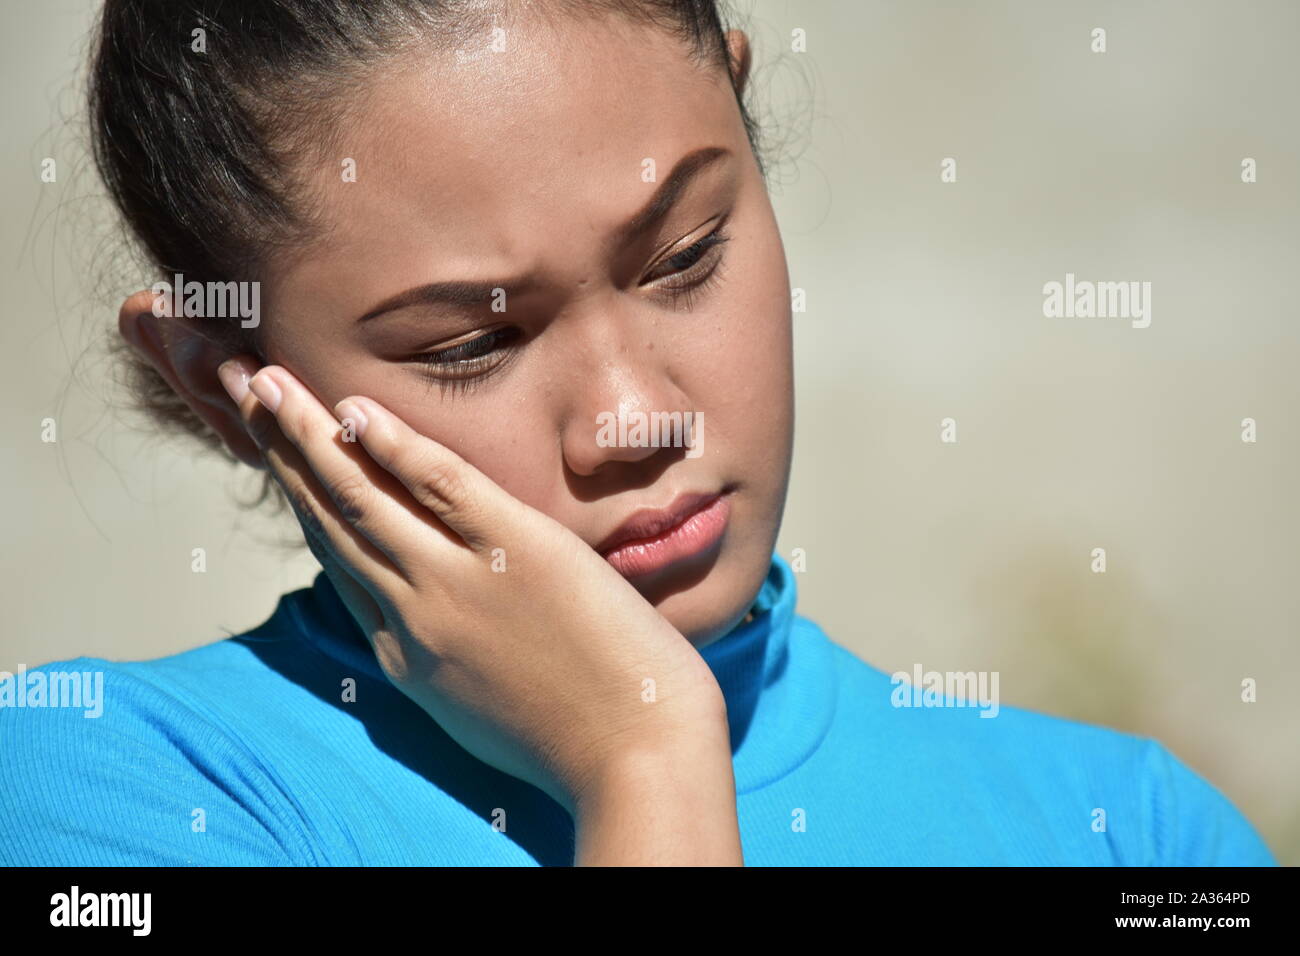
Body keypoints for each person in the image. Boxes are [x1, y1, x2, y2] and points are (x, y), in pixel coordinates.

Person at [0, 0, 1277, 866]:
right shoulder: (107, 794)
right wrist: (643, 762)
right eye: (471, 343)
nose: (633, 416)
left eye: (684, 255)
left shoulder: (1130, 834)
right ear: (228, 380)